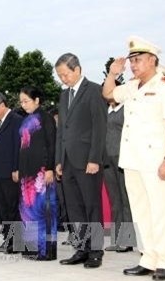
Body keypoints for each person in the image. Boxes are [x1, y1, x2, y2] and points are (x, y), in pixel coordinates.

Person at [103, 36, 165, 280]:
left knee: (160, 211)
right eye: (131, 61)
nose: (133, 65)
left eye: (137, 60)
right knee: (140, 212)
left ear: (152, 60)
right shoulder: (132, 86)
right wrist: (113, 73)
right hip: (132, 159)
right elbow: (108, 94)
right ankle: (148, 258)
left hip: (155, 160)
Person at [55, 53, 107, 269]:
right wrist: (58, 160)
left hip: (87, 162)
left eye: (65, 74)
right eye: (60, 76)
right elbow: (61, 131)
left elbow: (100, 127)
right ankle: (81, 248)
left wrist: (94, 158)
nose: (63, 79)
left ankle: (95, 250)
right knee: (74, 208)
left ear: (77, 69)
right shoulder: (63, 96)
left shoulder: (94, 91)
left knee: (91, 206)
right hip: (67, 162)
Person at [16, 86, 57, 261]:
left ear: (37, 100)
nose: (23, 105)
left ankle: (46, 250)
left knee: (43, 211)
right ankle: (31, 247)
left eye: (26, 101)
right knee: (27, 210)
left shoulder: (45, 118)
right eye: (21, 102)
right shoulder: (26, 119)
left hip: (41, 173)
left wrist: (49, 167)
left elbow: (51, 144)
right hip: (26, 174)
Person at [0, 91, 23, 253]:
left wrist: (16, 168)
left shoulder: (16, 120)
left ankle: (16, 243)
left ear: (2, 105)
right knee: (4, 210)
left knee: (13, 209)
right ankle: (8, 241)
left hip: (11, 173)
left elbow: (18, 146)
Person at [103, 100, 135, 253]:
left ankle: (127, 240)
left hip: (123, 158)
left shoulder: (127, 108)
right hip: (107, 159)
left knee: (125, 199)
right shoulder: (105, 110)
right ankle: (116, 239)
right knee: (114, 200)